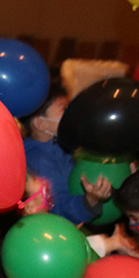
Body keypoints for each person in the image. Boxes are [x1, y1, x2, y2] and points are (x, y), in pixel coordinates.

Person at [24, 86, 113, 225]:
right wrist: (91, 199)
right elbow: (58, 210)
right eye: (64, 109)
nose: (72, 115)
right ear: (40, 124)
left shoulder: (63, 144)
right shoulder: (39, 160)